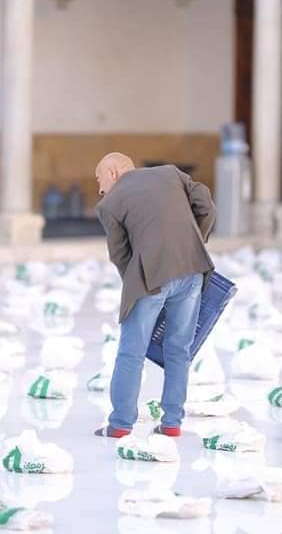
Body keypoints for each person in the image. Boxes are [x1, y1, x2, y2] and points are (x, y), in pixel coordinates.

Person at [93, 153, 216, 438]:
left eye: (99, 180)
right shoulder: (171, 173)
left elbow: (120, 254)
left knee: (131, 352)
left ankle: (121, 424)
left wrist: (137, 282)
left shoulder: (109, 204)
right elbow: (206, 205)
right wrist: (193, 241)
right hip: (192, 269)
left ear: (113, 172)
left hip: (150, 278)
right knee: (179, 350)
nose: (100, 190)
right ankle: (172, 422)